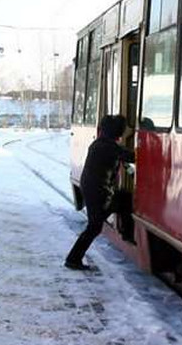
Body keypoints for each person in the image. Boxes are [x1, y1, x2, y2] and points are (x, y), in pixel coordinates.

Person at [65, 114, 134, 271]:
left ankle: (126, 232)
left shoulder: (101, 144)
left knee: (123, 200)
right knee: (94, 227)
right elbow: (131, 156)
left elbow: (120, 160)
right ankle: (73, 259)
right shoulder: (108, 146)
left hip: (93, 189)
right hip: (97, 191)